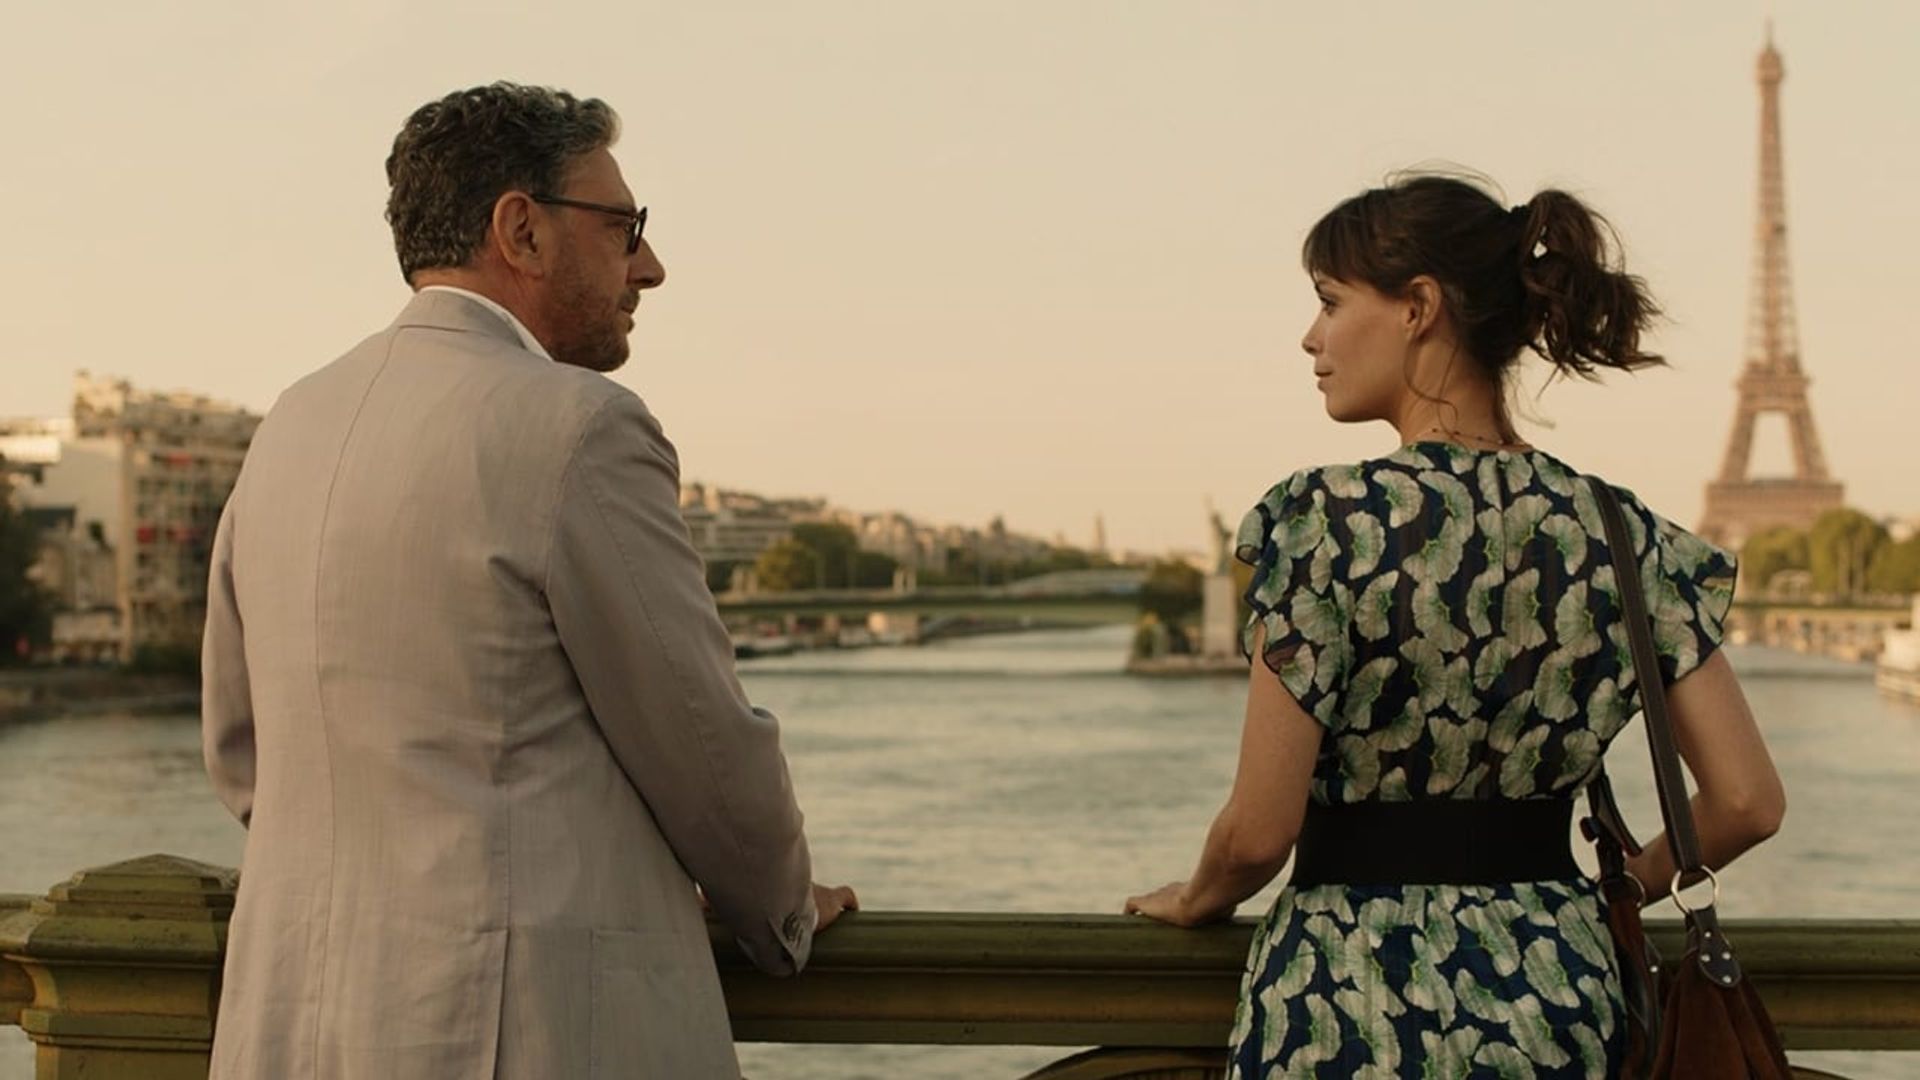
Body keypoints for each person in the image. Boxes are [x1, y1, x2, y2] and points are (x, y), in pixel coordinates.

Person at [201, 82, 856, 1078]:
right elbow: (706, 748)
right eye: (624, 227)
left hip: (293, 1029)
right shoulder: (578, 425)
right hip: (522, 1031)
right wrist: (782, 913)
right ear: (523, 230)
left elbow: (242, 754)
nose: (651, 266)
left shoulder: (292, 422)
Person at [1124, 172, 1785, 1077]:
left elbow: (1257, 834)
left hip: (1346, 997)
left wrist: (1199, 897)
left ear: (1419, 308)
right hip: (1559, 992)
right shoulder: (1621, 533)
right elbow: (1747, 800)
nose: (1310, 337)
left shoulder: (1328, 524)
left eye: (1328, 302)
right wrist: (1616, 893)